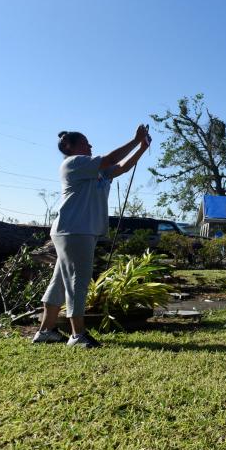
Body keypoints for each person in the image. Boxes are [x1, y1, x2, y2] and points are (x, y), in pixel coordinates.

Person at [32, 125, 152, 348]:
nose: (90, 145)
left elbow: (122, 167)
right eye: (85, 142)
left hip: (78, 231)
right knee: (78, 280)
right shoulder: (73, 163)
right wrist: (134, 140)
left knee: (59, 281)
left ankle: (45, 331)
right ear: (70, 146)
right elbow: (110, 158)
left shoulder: (94, 169)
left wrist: (142, 147)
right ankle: (78, 335)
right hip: (75, 230)